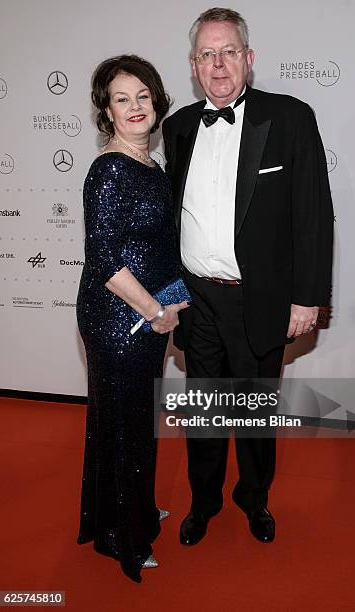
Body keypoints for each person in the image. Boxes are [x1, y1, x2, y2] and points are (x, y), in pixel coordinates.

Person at [162, 8, 333, 546]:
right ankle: (204, 501)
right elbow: (169, 221)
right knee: (204, 412)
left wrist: (307, 300)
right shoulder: (178, 127)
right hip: (197, 298)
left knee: (256, 415)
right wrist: (170, 296)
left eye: (229, 51)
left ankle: (254, 500)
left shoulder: (290, 118)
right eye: (207, 54)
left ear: (249, 59)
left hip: (259, 300)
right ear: (193, 65)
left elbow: (313, 214)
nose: (218, 64)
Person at [76, 54, 188, 583]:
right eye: (122, 98)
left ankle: (131, 506)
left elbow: (161, 247)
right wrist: (156, 311)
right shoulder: (109, 170)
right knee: (124, 425)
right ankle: (121, 535)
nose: (135, 106)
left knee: (134, 420)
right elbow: (104, 259)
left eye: (143, 95)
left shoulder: (152, 165)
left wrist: (171, 303)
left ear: (157, 101)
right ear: (107, 112)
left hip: (149, 314)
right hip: (118, 318)